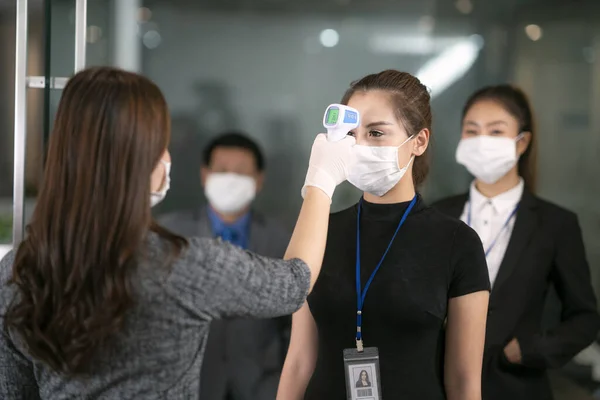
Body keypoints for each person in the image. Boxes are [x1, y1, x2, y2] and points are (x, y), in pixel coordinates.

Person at [0, 67, 356, 399]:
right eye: (161, 144)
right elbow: (295, 282)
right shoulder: (182, 265)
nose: (167, 157)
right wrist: (321, 178)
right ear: (141, 160)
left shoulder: (17, 271)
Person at [277, 70, 491, 400]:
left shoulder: (456, 242)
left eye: (376, 133)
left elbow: (463, 380)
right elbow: (298, 362)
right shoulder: (321, 232)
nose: (359, 145)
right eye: (350, 133)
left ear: (418, 141)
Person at [432, 84, 600, 400]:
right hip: (437, 383)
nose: (482, 141)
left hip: (515, 386)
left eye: (496, 131)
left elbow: (585, 318)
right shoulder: (437, 214)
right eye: (472, 130)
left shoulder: (554, 223)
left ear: (522, 142)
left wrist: (529, 350)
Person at [160, 132, 291, 400]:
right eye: (222, 171)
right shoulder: (167, 234)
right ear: (204, 175)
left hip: (261, 386)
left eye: (241, 172)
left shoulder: (282, 240)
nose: (231, 179)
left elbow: (293, 326)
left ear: (259, 180)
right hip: (188, 387)